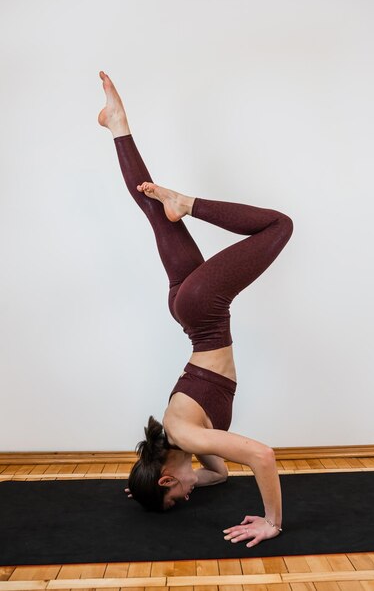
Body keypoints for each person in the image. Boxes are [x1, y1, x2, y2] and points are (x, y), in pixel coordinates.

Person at [98, 71, 293, 548]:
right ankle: (117, 124)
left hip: (203, 310)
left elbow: (262, 457)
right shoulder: (182, 441)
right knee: (151, 208)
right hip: (187, 308)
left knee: (278, 226)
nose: (185, 497)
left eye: (174, 496)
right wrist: (151, 486)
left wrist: (272, 522)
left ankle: (188, 202)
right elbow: (221, 476)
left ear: (167, 478)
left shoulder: (187, 434)